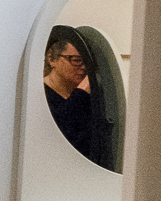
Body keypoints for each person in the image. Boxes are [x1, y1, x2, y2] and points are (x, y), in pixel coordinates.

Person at [43, 27, 112, 168]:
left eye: (85, 61)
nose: (83, 67)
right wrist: (80, 93)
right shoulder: (40, 93)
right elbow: (61, 132)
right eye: (76, 60)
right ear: (52, 60)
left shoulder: (88, 95)